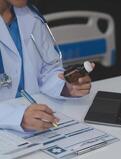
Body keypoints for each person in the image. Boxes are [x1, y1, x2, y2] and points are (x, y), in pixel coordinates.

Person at [0, 0, 93, 132]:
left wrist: (66, 86)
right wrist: (16, 117)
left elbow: (48, 69)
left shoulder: (31, 16)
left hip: (36, 120)